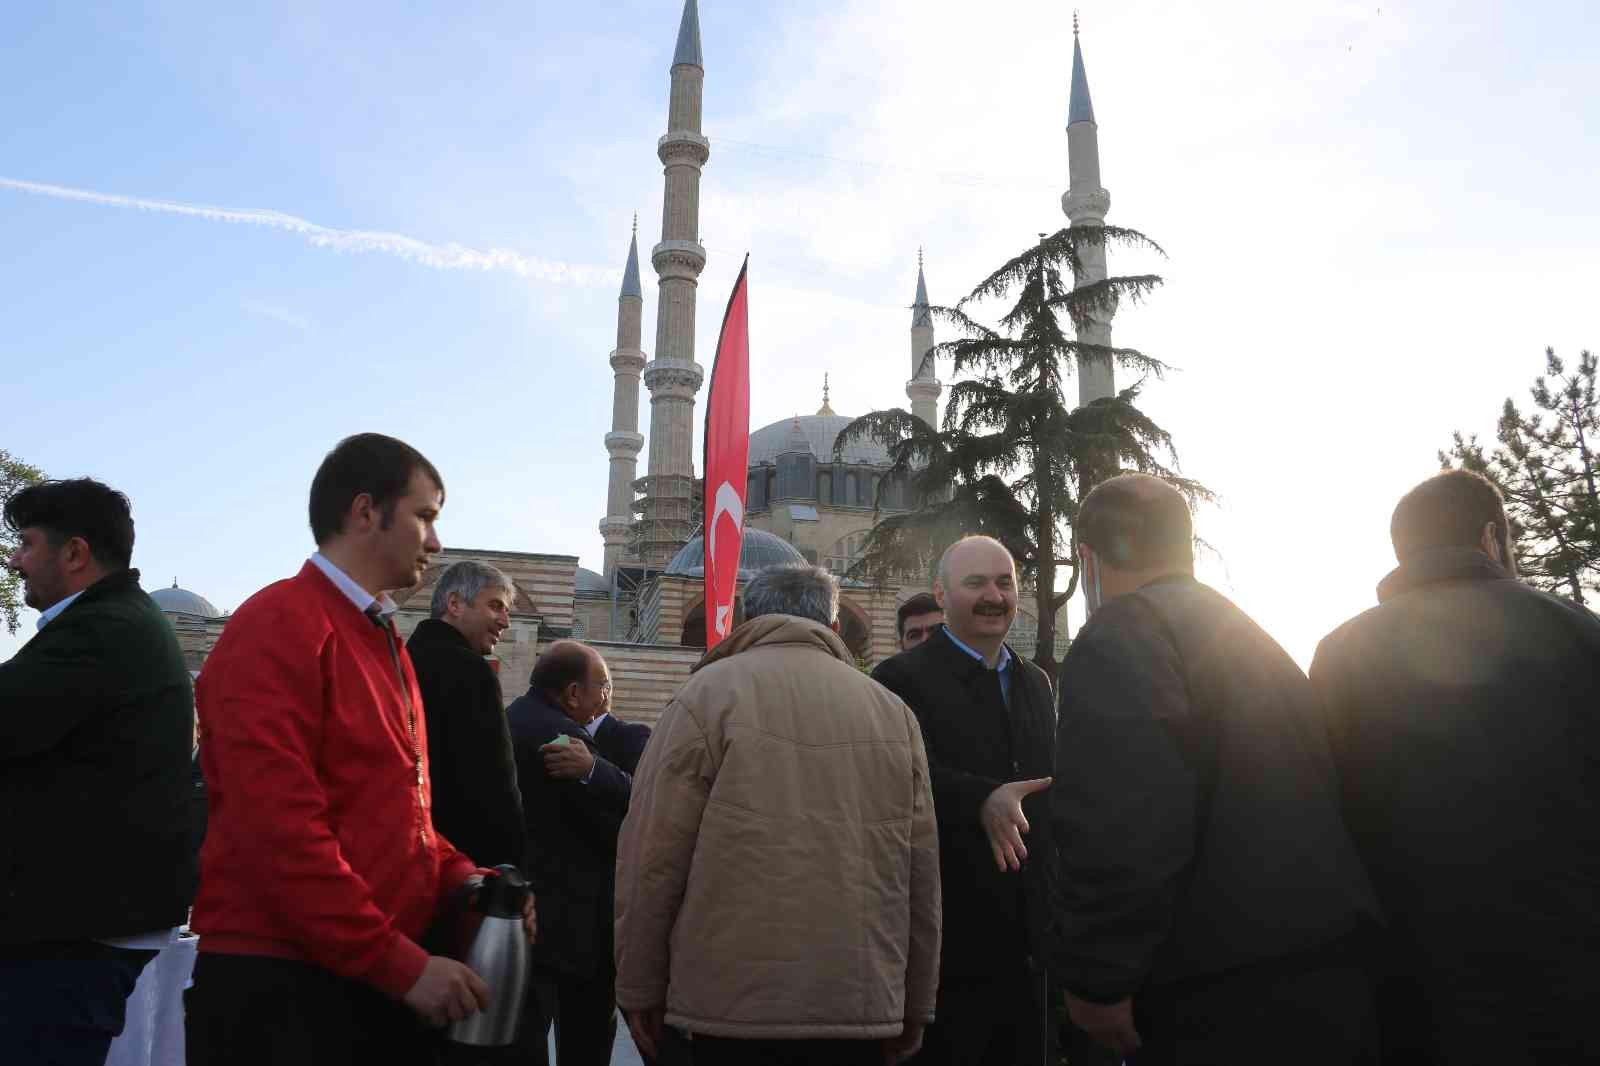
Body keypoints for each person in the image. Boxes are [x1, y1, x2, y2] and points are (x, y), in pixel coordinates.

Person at [184, 433, 535, 1066]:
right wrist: (398, 964)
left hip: (359, 976)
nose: (436, 542)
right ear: (365, 511)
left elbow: (404, 817)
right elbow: (278, 832)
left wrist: (466, 880)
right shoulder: (279, 623)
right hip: (285, 989)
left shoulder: (384, 641)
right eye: (425, 516)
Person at [1050, 473, 1379, 1065]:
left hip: (1216, 988)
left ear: (1087, 560)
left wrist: (1099, 979)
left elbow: (1123, 818)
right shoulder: (1254, 639)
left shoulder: (1121, 633)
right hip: (1326, 970)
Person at [1310, 469, 1600, 1064]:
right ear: (1492, 538)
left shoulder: (1340, 656)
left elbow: (1319, 818)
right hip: (1570, 973)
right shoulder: (1578, 633)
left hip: (1413, 984)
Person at [615, 563, 940, 1066]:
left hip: (723, 1011)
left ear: (747, 621)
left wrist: (637, 985)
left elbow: (652, 857)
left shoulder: (704, 697)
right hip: (859, 1005)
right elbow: (921, 875)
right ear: (833, 627)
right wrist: (917, 1001)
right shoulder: (892, 712)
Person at [0, 479, 194, 1066]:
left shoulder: (100, 630)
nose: (14, 559)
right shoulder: (114, 623)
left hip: (69, 929)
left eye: (26, 543)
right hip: (78, 921)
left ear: (76, 553)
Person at [871, 536, 1056, 1066]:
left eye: (1004, 583)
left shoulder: (1035, 683)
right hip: (948, 947)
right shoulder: (900, 679)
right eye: (975, 583)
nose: (993, 595)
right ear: (942, 593)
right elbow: (894, 778)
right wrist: (981, 799)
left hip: (1028, 948)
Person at [506, 641, 634, 1066]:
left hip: (527, 917)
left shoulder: (513, 718)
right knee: (586, 1042)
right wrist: (599, 772)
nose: (606, 698)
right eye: (602, 686)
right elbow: (619, 820)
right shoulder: (563, 738)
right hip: (576, 929)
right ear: (573, 693)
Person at [407, 560, 524, 871]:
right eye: (495, 606)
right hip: (462, 865)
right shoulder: (471, 673)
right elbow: (493, 787)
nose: (505, 621)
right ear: (455, 604)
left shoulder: (402, 659)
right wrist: (509, 866)